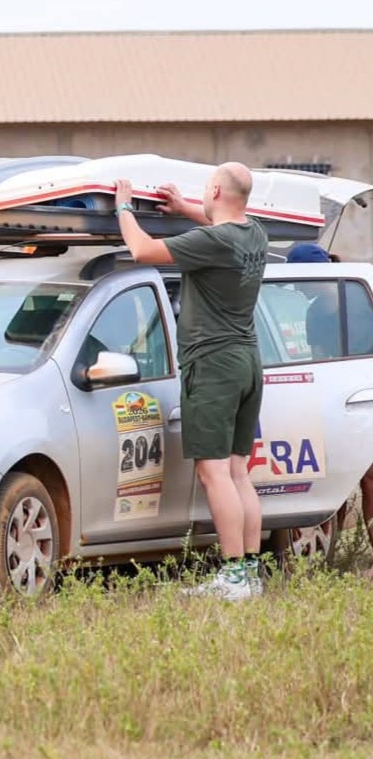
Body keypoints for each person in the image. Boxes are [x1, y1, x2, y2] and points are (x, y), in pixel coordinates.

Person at [114, 166, 271, 601]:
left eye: (204, 190)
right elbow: (217, 227)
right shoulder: (253, 233)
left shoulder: (216, 241)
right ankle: (251, 573)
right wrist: (184, 207)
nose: (201, 196)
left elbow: (142, 249)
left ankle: (234, 575)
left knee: (213, 471)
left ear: (217, 190)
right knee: (239, 471)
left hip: (214, 364)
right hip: (248, 361)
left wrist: (123, 206)